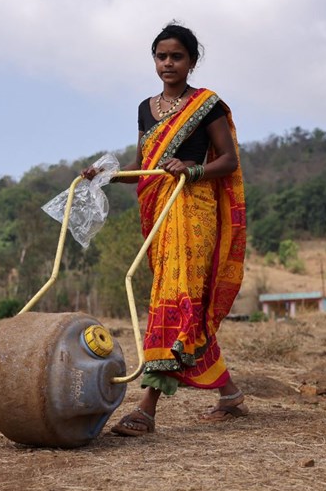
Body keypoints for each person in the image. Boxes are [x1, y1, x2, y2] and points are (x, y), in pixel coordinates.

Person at [81, 22, 247, 436]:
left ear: (191, 62)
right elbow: (143, 169)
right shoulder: (144, 109)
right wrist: (103, 175)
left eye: (176, 56)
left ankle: (146, 410)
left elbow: (227, 161)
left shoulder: (206, 105)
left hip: (194, 211)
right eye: (161, 56)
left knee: (176, 299)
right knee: (182, 302)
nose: (168, 63)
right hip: (160, 212)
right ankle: (230, 394)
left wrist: (192, 170)